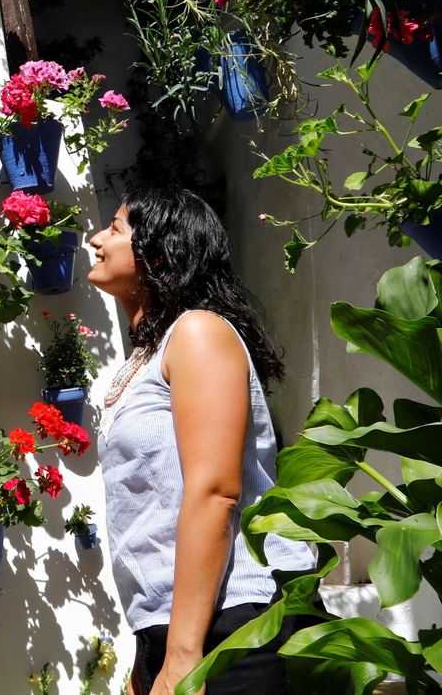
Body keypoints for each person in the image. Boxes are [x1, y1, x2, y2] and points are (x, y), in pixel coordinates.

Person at [89, 186, 317, 695]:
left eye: (116, 229)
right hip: (177, 630)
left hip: (236, 628)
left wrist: (183, 654)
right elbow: (156, 514)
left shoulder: (197, 333)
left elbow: (215, 492)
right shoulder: (145, 359)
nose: (96, 238)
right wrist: (148, 659)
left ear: (159, 253)